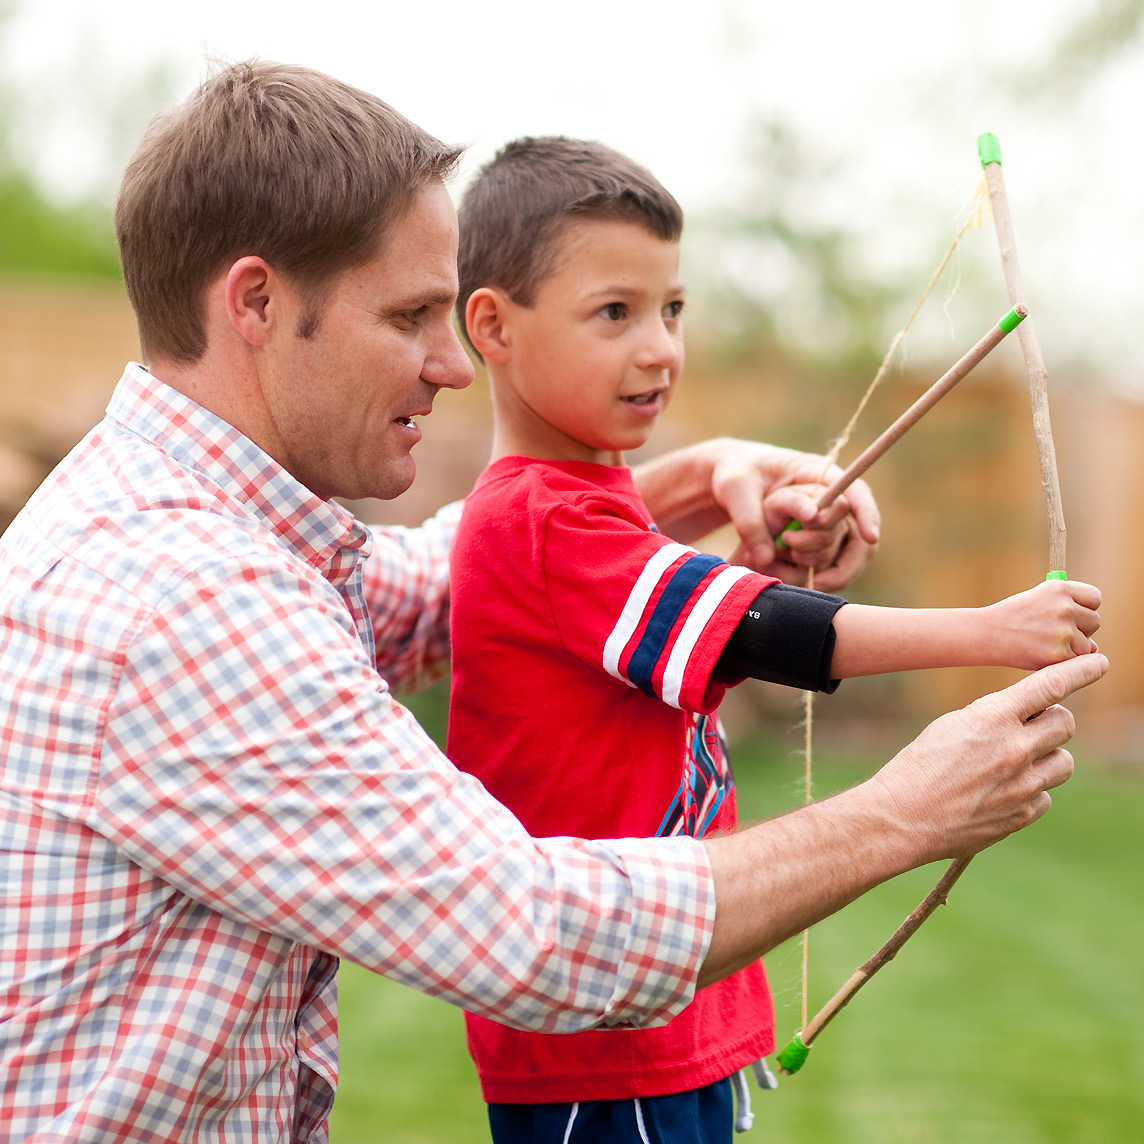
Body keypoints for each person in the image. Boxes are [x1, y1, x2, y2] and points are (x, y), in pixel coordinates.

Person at [0, 61, 1104, 1144]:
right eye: (411, 315)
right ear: (255, 302)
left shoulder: (187, 524)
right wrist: (903, 809)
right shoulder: (185, 599)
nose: (451, 364)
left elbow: (465, 583)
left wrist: (685, 477)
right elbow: (531, 928)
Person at [446, 135, 1103, 1141]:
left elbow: (705, 617)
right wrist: (992, 629)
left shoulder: (591, 508)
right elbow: (763, 633)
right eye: (612, 312)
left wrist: (755, 548)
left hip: (662, 1010)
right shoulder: (541, 520)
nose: (660, 346)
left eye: (670, 308)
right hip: (604, 1048)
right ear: (491, 324)